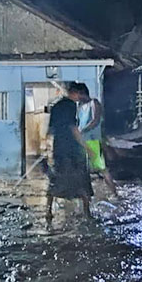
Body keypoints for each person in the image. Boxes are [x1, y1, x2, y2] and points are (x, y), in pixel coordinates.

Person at [46, 81, 93, 225]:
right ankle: (87, 213)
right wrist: (86, 147)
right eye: (80, 95)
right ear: (76, 93)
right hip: (72, 150)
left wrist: (48, 148)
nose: (80, 98)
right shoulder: (70, 106)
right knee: (82, 181)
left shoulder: (56, 106)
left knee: (56, 180)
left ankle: (48, 211)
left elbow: (50, 130)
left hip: (58, 149)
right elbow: (73, 128)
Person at [77, 83, 117, 194]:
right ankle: (86, 195)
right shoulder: (80, 106)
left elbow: (95, 120)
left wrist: (82, 130)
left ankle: (114, 193)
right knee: (83, 169)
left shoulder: (94, 103)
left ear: (81, 93)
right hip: (83, 141)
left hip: (93, 140)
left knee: (102, 168)